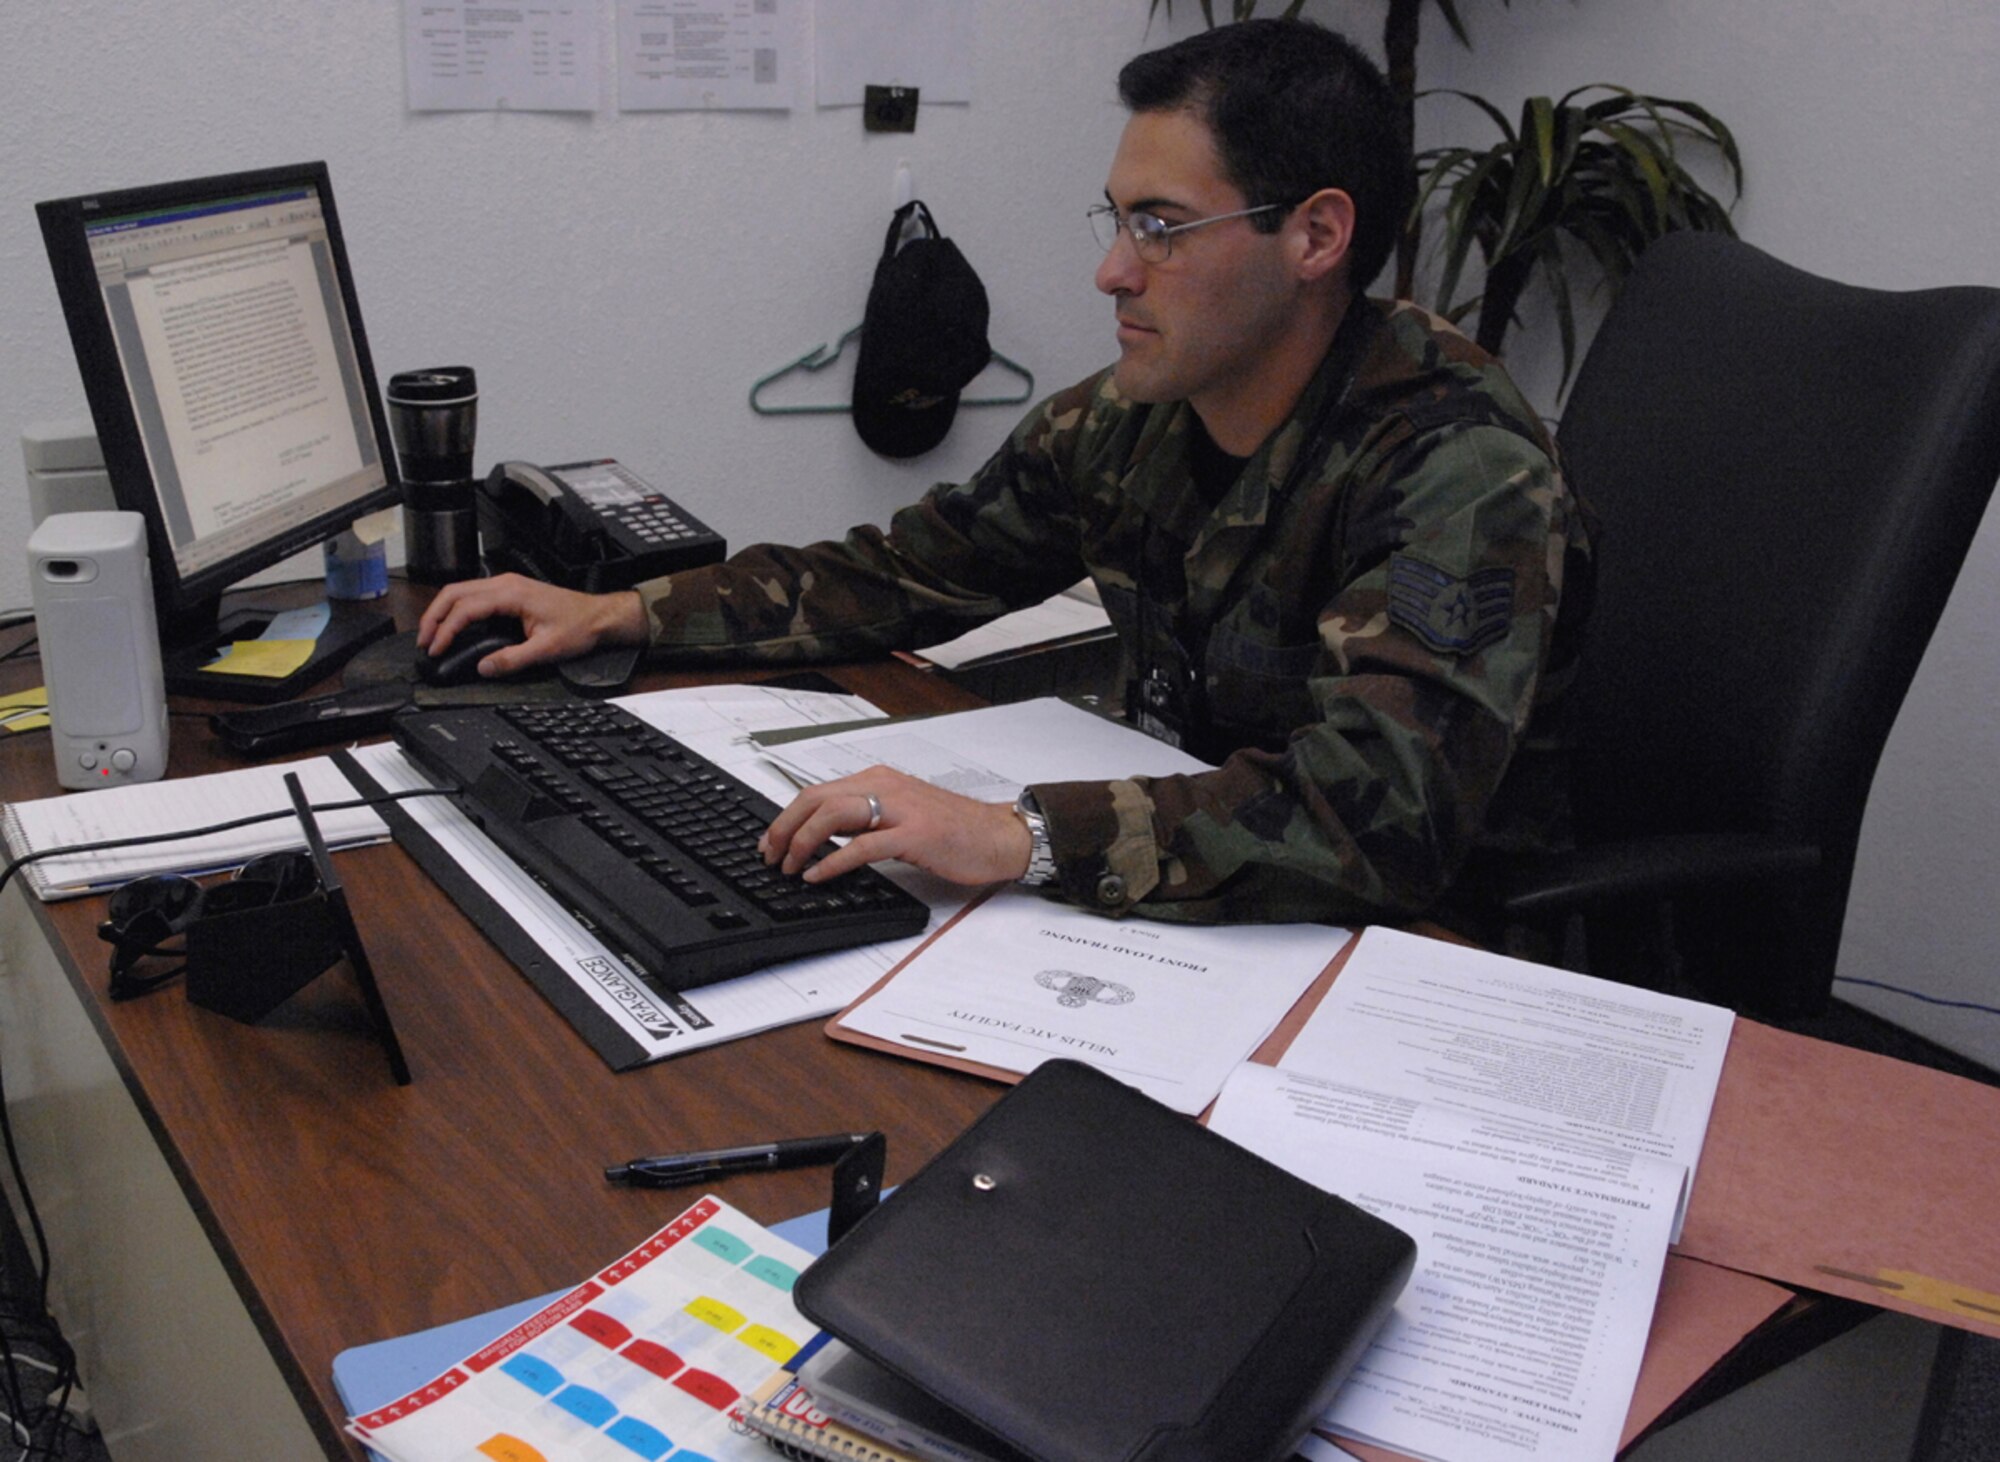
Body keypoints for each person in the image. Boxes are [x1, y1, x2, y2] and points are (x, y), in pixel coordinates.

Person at [419, 17, 1593, 932]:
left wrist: (1014, 836)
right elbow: (900, 576)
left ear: (1315, 237)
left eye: (1161, 228)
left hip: (1414, 953)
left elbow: (1372, 821)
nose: (1109, 273)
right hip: (1192, 900)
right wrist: (622, 610)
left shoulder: (1459, 466)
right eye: (1118, 220)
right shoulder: (1135, 413)